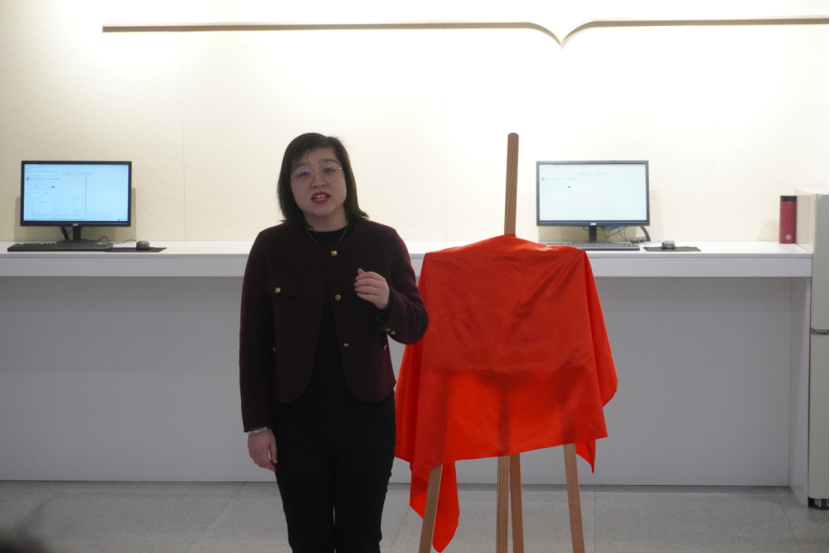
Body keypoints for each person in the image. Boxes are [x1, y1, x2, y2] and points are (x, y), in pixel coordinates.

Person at [239, 133, 428, 553]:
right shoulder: (272, 246)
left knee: (362, 537)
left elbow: (416, 327)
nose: (317, 181)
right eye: (303, 173)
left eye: (328, 168)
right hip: (295, 420)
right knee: (308, 538)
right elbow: (253, 344)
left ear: (346, 178)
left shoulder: (382, 241)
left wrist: (389, 301)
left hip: (367, 417)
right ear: (288, 187)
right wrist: (257, 425)